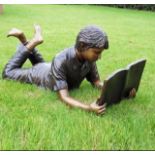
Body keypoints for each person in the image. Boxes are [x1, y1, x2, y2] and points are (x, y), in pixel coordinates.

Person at [2, 25, 109, 115]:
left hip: (48, 68)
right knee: (7, 73)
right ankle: (28, 40)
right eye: (97, 52)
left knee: (40, 64)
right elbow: (64, 97)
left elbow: (96, 82)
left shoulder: (89, 59)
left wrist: (115, 89)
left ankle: (27, 41)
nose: (99, 57)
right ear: (82, 45)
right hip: (40, 75)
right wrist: (88, 108)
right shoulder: (60, 60)